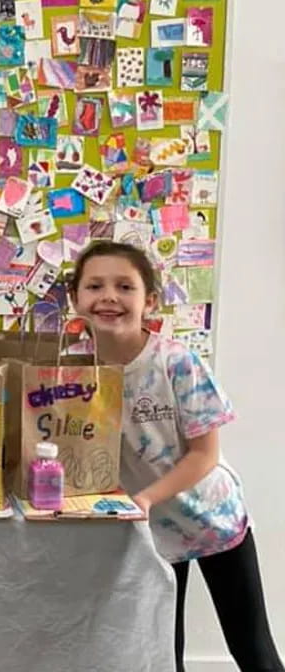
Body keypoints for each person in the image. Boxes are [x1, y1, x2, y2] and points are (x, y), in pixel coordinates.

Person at [69, 240, 283, 672]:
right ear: (76, 299)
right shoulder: (73, 371)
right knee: (164, 653)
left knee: (254, 650)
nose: (108, 296)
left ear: (149, 301)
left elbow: (205, 455)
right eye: (95, 285)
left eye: (124, 286)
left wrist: (146, 497)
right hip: (153, 533)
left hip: (213, 519)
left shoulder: (175, 363)